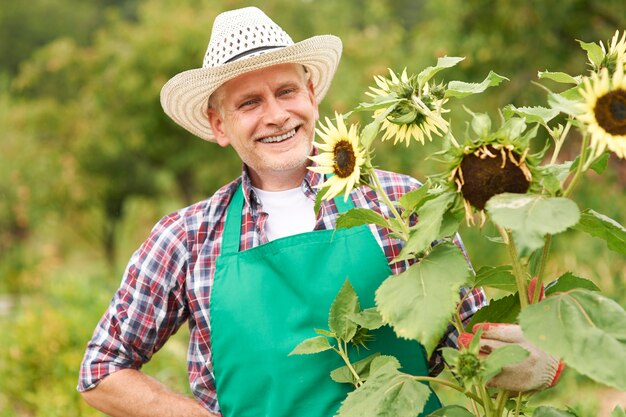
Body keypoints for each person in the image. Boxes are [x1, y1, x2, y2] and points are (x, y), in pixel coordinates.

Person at [78, 7, 560, 417]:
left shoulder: (398, 203)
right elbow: (101, 369)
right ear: (218, 124)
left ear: (311, 93)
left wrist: (525, 348)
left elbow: (466, 339)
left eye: (285, 91)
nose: (275, 115)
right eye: (249, 102)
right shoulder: (186, 238)